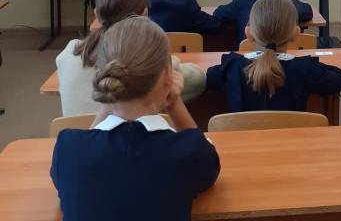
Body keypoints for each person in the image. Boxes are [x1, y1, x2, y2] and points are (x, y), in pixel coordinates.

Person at [51, 17, 220, 221]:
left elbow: (83, 153)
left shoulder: (68, 148)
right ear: (168, 74)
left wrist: (109, 103)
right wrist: (174, 104)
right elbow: (209, 165)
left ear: (104, 73)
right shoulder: (188, 151)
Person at [56, 0, 205, 116]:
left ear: (96, 13)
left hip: (77, 134)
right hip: (136, 134)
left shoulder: (70, 52)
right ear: (144, 14)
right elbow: (199, 80)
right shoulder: (150, 57)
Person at [207, 0, 341, 111]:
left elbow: (208, 78)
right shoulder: (305, 69)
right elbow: (340, 78)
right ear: (296, 33)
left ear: (249, 33)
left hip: (242, 136)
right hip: (292, 136)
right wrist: (314, 65)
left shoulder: (231, 67)